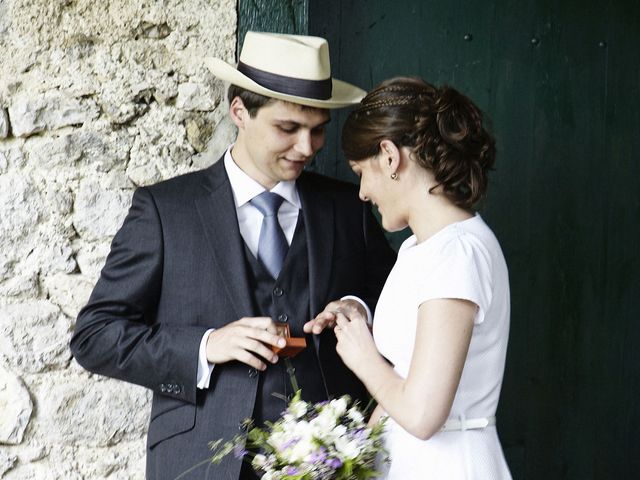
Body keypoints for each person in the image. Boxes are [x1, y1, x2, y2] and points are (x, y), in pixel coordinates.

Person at [70, 31, 395, 480]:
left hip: (329, 459)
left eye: (318, 130)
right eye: (288, 128)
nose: (307, 148)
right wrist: (206, 346)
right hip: (199, 460)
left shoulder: (349, 207)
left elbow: (402, 307)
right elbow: (95, 337)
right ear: (239, 112)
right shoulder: (166, 210)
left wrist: (358, 309)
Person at [332, 77, 512, 479]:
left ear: (390, 156)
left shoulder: (457, 254)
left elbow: (423, 414)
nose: (362, 192)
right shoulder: (418, 249)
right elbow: (400, 383)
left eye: (362, 172)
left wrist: (364, 358)